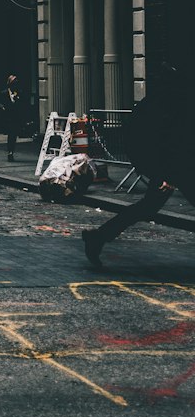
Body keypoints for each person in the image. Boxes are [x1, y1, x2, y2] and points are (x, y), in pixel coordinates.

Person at [82, 65, 195, 270]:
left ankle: (98, 237)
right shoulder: (176, 103)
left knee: (147, 207)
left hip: (172, 166)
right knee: (147, 206)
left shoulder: (165, 102)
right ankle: (97, 237)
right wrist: (167, 176)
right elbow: (173, 142)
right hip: (175, 167)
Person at [0, 74, 22, 161]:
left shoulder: (19, 92)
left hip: (15, 118)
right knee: (11, 135)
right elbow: (0, 103)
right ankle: (10, 151)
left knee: (13, 135)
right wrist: (3, 109)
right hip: (7, 117)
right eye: (13, 83)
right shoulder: (4, 93)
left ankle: (11, 151)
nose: (15, 85)